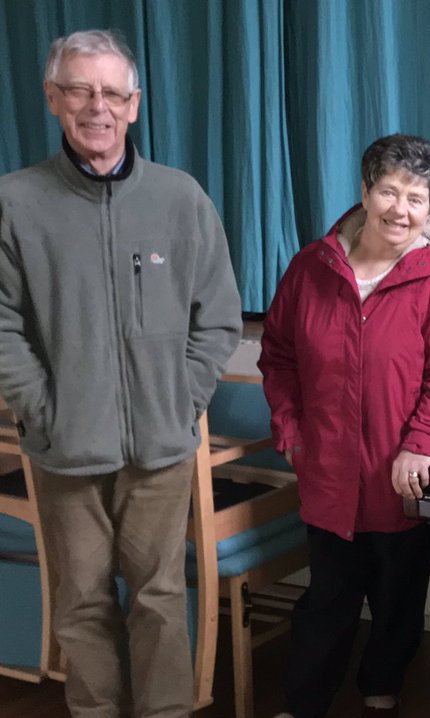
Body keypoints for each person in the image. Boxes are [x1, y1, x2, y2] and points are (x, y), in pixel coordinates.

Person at [0, 29, 242, 717]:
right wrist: (42, 407)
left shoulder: (180, 198)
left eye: (112, 92)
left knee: (162, 598)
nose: (96, 106)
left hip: (161, 450)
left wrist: (181, 398)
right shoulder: (15, 202)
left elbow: (218, 316)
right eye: (79, 89)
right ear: (53, 98)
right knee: (80, 604)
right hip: (64, 450)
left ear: (134, 105)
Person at [259, 133, 430, 718]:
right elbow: (278, 356)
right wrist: (291, 432)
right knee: (326, 600)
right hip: (326, 471)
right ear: (365, 191)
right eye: (389, 191)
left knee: (398, 596)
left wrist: (421, 446)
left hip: (403, 476)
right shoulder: (310, 267)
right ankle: (304, 704)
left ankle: (381, 683)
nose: (400, 210)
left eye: (417, 198)